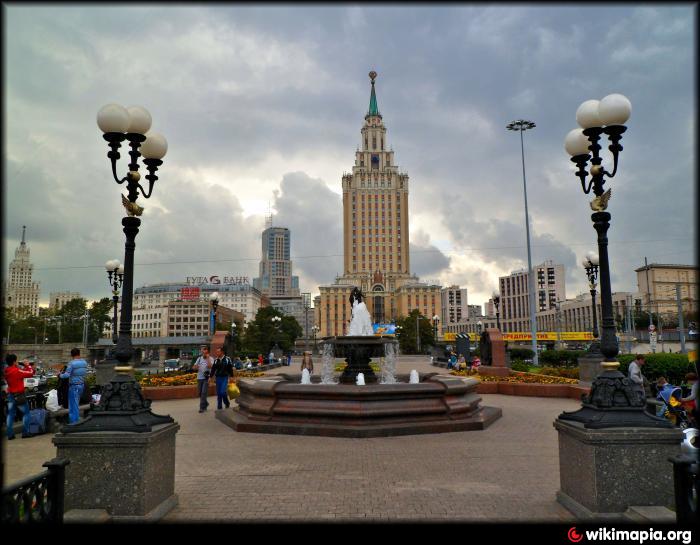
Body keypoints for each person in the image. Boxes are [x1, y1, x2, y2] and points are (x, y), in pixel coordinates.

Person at [4, 354, 35, 439]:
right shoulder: (17, 371)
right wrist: (28, 365)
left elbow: (21, 373)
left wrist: (19, 367)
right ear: (14, 361)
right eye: (16, 360)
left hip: (10, 395)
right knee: (26, 413)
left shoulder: (6, 371)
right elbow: (31, 373)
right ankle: (25, 432)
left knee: (10, 414)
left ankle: (10, 434)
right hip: (19, 395)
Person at [59, 348, 88, 424]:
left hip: (74, 386)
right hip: (81, 384)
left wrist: (60, 375)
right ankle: (76, 419)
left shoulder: (71, 363)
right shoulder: (84, 362)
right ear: (79, 354)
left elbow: (67, 375)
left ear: (72, 355)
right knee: (76, 403)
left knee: (72, 405)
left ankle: (74, 422)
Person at [194, 345, 214, 413]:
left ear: (207, 351)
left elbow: (210, 366)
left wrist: (207, 358)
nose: (203, 351)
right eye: (202, 350)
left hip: (206, 378)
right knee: (200, 393)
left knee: (203, 393)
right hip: (199, 378)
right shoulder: (199, 359)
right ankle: (206, 403)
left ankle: (202, 408)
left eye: (204, 349)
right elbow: (194, 367)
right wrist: (196, 367)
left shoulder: (211, 358)